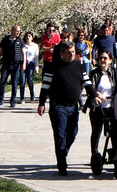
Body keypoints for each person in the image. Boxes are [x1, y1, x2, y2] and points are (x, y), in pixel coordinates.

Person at [37, 41, 94, 176]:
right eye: (68, 53)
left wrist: (94, 94)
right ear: (62, 53)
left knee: (72, 133)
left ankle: (63, 153)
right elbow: (45, 86)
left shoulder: (78, 65)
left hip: (73, 107)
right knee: (60, 136)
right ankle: (62, 163)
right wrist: (41, 103)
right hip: (58, 107)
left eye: (73, 52)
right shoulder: (53, 66)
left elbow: (87, 82)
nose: (71, 55)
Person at [86, 49, 117, 173]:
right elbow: (90, 88)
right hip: (97, 107)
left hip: (111, 107)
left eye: (105, 58)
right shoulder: (94, 73)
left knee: (114, 133)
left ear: (110, 60)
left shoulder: (114, 72)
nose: (102, 60)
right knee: (96, 132)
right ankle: (95, 156)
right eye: (100, 58)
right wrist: (97, 95)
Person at [0, 24, 24, 108]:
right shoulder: (5, 40)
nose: (18, 33)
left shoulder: (20, 40)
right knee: (3, 82)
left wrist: (24, 63)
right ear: (12, 31)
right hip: (6, 64)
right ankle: (0, 101)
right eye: (17, 31)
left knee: (14, 83)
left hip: (16, 65)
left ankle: (13, 101)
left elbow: (23, 52)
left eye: (19, 31)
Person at [21, 31, 40, 101]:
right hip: (23, 63)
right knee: (22, 80)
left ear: (32, 38)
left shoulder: (35, 46)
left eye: (29, 36)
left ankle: (32, 94)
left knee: (29, 80)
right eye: (27, 36)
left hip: (31, 63)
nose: (28, 37)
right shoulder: (23, 45)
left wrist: (36, 67)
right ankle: (22, 97)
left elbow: (36, 57)